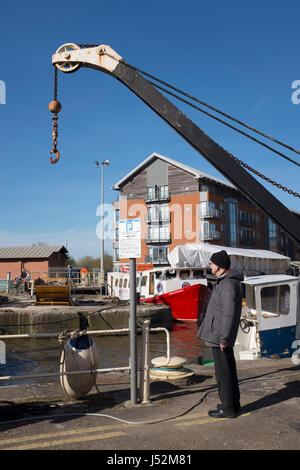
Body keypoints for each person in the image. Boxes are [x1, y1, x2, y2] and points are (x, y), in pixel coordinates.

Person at [197, 250, 243, 418]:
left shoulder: (227, 285)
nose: (210, 265)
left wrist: (223, 338)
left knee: (223, 375)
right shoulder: (225, 282)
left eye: (211, 263)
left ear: (218, 265)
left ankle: (227, 408)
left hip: (220, 338)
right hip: (220, 336)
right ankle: (233, 405)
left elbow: (228, 314)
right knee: (228, 371)